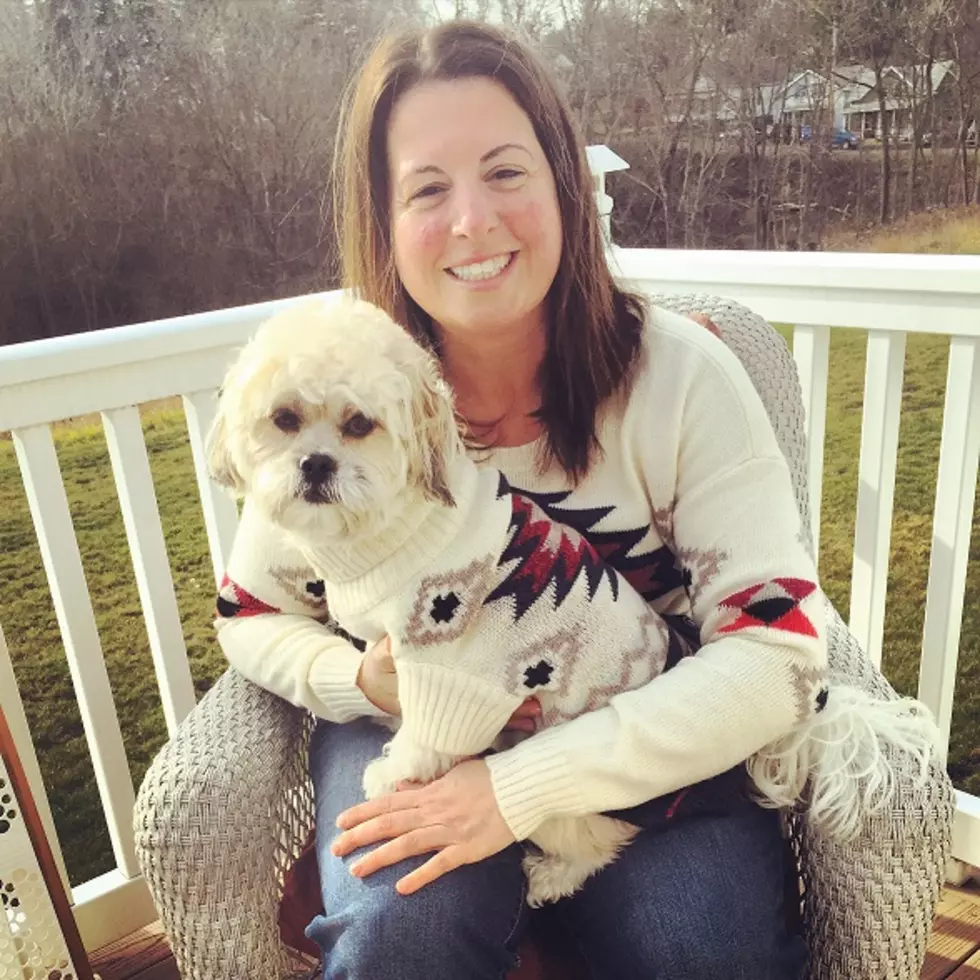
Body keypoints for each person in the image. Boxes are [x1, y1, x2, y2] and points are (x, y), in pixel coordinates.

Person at [214, 19, 825, 979]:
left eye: (505, 172)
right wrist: (357, 683)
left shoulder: (686, 376)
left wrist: (520, 787)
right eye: (426, 189)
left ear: (563, 186)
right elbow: (249, 610)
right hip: (406, 727)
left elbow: (777, 653)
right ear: (382, 220)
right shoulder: (341, 382)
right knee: (396, 935)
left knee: (702, 949)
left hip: (635, 730)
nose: (472, 222)